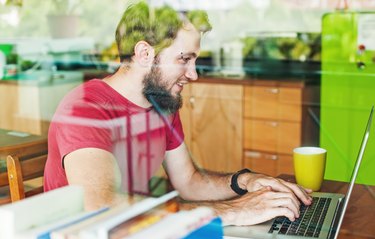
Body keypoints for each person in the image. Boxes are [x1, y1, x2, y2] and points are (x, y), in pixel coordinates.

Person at [44, 1, 312, 226]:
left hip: (140, 234)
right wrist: (234, 211)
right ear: (144, 53)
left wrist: (245, 180)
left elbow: (189, 183)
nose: (193, 74)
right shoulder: (86, 108)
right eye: (184, 59)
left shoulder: (160, 102)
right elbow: (101, 207)